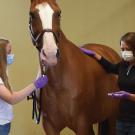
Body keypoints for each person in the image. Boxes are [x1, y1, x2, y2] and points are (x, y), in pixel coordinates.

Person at [81, 32, 135, 135]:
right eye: (122, 49)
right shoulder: (123, 65)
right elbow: (110, 67)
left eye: (127, 49)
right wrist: (95, 55)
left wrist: (128, 96)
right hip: (122, 120)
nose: (124, 53)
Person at [0, 38, 48, 135]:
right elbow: (12, 98)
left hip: (4, 124)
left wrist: (32, 88)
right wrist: (35, 85)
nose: (11, 55)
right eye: (9, 52)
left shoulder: (3, 73)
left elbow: (10, 95)